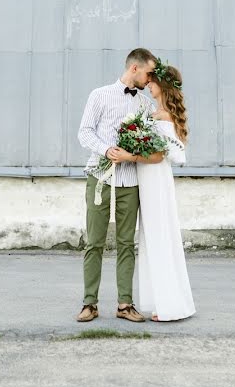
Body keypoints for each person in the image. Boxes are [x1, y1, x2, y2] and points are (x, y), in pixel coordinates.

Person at [75, 48, 163, 323]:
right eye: (149, 73)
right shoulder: (99, 95)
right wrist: (106, 150)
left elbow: (154, 141)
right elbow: (84, 132)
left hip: (131, 181)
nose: (150, 79)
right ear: (134, 68)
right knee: (94, 242)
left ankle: (125, 304)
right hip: (100, 178)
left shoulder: (147, 106)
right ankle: (90, 303)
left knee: (127, 243)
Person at [134, 61, 195, 322]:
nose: (148, 85)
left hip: (156, 180)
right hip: (149, 181)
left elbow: (169, 154)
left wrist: (132, 150)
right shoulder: (156, 113)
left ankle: (170, 305)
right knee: (154, 239)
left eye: (151, 82)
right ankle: (162, 300)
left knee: (160, 239)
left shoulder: (164, 117)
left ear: (163, 84)